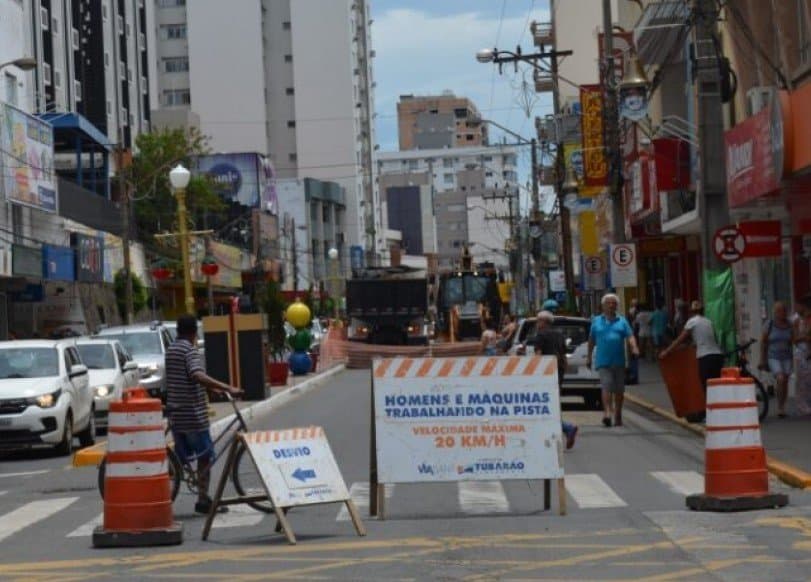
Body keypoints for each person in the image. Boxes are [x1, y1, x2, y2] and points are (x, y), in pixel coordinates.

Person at [166, 314, 242, 514]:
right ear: (194, 333)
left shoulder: (171, 350)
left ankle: (169, 478)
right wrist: (226, 387)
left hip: (176, 413)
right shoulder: (190, 350)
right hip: (193, 414)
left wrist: (211, 389)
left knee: (182, 457)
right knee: (205, 456)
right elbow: (196, 375)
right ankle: (203, 499)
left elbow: (184, 378)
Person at [659, 300, 723, 415]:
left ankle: (712, 414)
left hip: (705, 357)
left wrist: (667, 351)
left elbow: (680, 339)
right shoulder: (708, 322)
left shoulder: (692, 322)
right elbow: (713, 339)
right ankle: (720, 411)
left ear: (692, 312)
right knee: (716, 385)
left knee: (706, 386)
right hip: (717, 355)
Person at [587, 293, 640, 427]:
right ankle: (607, 413)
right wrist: (588, 357)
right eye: (608, 303)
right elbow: (591, 340)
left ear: (616, 306)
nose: (611, 305)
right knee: (607, 385)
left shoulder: (622, 321)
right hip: (603, 361)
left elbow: (630, 336)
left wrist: (634, 347)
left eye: (613, 303)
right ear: (603, 306)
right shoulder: (596, 322)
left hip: (619, 361)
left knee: (619, 390)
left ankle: (618, 414)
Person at [531, 310, 578, 449]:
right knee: (552, 403)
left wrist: (534, 375)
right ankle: (563, 429)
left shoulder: (540, 336)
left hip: (545, 375)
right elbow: (564, 356)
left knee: (544, 406)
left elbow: (538, 356)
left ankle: (567, 428)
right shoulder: (559, 335)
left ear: (543, 322)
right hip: (558, 373)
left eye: (538, 321)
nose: (537, 324)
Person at [759, 301, 795, 418]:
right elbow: (763, 342)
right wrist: (762, 360)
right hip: (773, 356)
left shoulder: (790, 324)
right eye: (778, 311)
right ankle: (780, 407)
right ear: (774, 312)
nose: (780, 313)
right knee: (780, 378)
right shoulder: (769, 324)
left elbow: (794, 339)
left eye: (783, 311)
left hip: (787, 357)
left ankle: (782, 404)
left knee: (784, 381)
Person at [793, 295, 811, 416]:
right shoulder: (796, 320)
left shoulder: (807, 319)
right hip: (802, 351)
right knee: (803, 378)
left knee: (808, 378)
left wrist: (804, 337)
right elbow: (795, 338)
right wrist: (804, 337)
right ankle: (802, 404)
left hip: (807, 349)